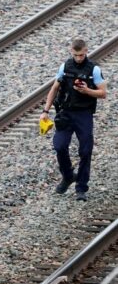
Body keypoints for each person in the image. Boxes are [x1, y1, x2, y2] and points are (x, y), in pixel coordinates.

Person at [40, 39, 107, 201]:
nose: (78, 58)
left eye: (82, 55)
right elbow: (54, 88)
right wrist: (45, 111)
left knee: (85, 151)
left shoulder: (94, 69)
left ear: (86, 51)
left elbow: (103, 93)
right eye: (76, 55)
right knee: (59, 146)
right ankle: (68, 176)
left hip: (83, 114)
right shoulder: (65, 67)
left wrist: (86, 90)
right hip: (65, 113)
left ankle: (81, 188)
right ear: (71, 52)